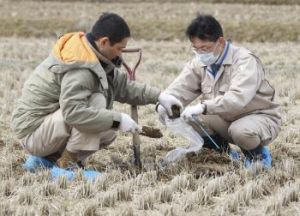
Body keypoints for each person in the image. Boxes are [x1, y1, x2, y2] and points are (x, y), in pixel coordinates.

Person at [11, 12, 182, 180]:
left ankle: (46, 160)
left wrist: (160, 96)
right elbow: (74, 113)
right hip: (34, 133)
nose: (121, 55)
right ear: (104, 42)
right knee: (97, 104)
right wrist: (118, 119)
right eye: (119, 49)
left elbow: (124, 87)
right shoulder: (81, 67)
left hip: (47, 128)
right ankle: (66, 165)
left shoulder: (93, 56)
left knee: (108, 130)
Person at [157, 14, 282, 169]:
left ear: (220, 42)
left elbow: (237, 98)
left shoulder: (244, 61)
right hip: (225, 117)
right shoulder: (199, 63)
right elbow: (180, 88)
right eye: (196, 49)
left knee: (240, 132)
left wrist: (203, 107)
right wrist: (164, 104)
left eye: (205, 48)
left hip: (258, 117)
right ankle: (220, 152)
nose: (201, 53)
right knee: (189, 116)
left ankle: (257, 154)